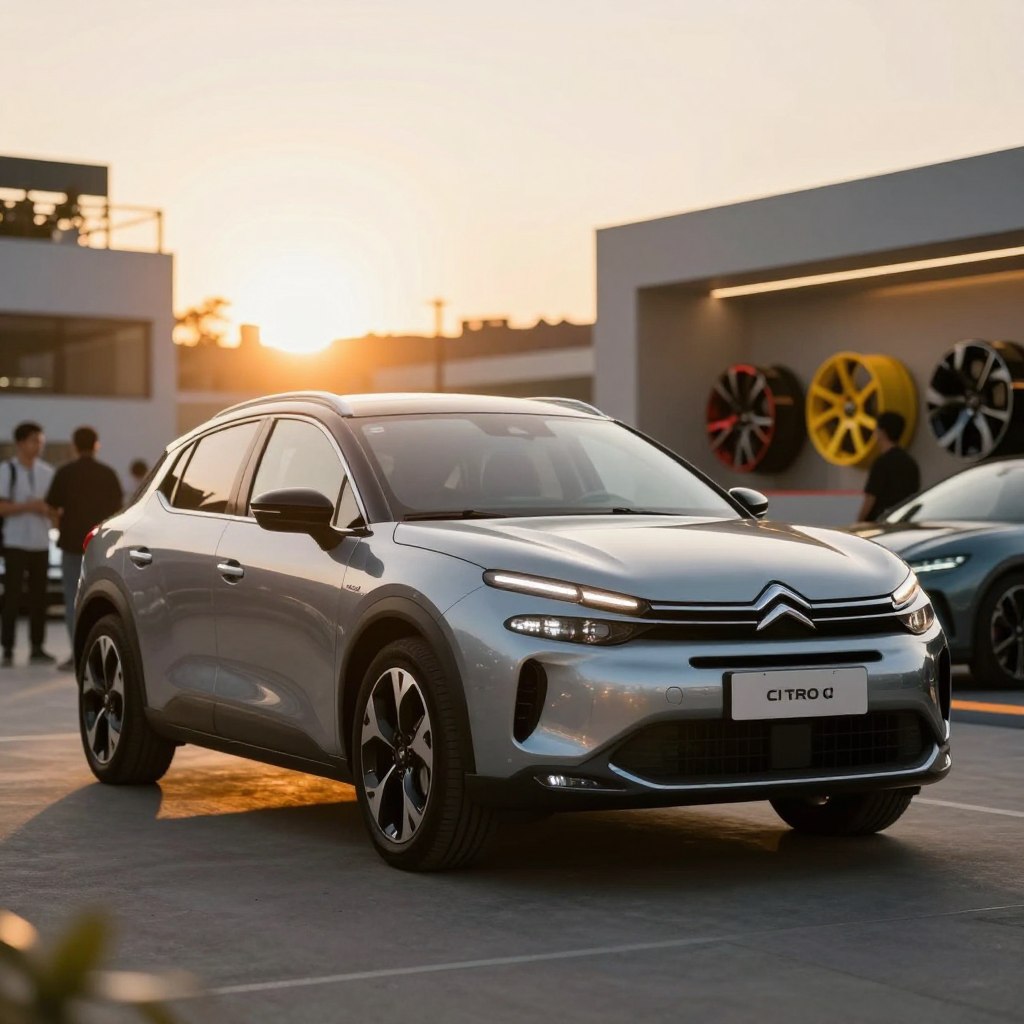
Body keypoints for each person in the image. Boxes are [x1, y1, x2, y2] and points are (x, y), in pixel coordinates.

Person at [45, 427, 123, 671]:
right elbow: (119, 511)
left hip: (71, 544)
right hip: (101, 546)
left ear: (74, 446)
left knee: (73, 599)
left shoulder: (65, 472)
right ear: (96, 445)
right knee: (100, 598)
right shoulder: (108, 474)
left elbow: (51, 508)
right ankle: (96, 653)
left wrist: (59, 527)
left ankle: (76, 656)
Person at [0, 422, 56, 667]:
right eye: (34, 441)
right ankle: (8, 648)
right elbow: (2, 507)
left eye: (40, 442)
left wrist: (46, 510)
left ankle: (37, 647)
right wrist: (29, 506)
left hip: (41, 542)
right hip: (15, 542)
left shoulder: (47, 472)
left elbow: (56, 510)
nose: (38, 446)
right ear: (21, 442)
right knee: (12, 597)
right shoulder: (7, 470)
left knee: (38, 598)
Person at [858, 411, 920, 522]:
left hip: (879, 522)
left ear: (882, 432)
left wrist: (859, 522)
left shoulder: (881, 463)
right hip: (903, 521)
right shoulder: (910, 463)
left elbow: (870, 498)